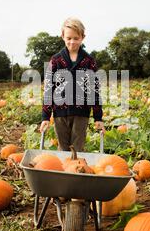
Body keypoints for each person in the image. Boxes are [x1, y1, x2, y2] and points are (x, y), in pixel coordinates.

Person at [39, 17, 105, 152]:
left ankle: (76, 171)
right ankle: (63, 173)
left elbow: (94, 90)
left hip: (82, 113)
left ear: (82, 37)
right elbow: (49, 89)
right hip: (59, 113)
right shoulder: (56, 60)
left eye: (76, 38)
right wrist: (46, 116)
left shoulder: (88, 61)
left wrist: (98, 117)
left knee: (77, 148)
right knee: (63, 149)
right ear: (63, 36)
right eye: (69, 38)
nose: (72, 41)